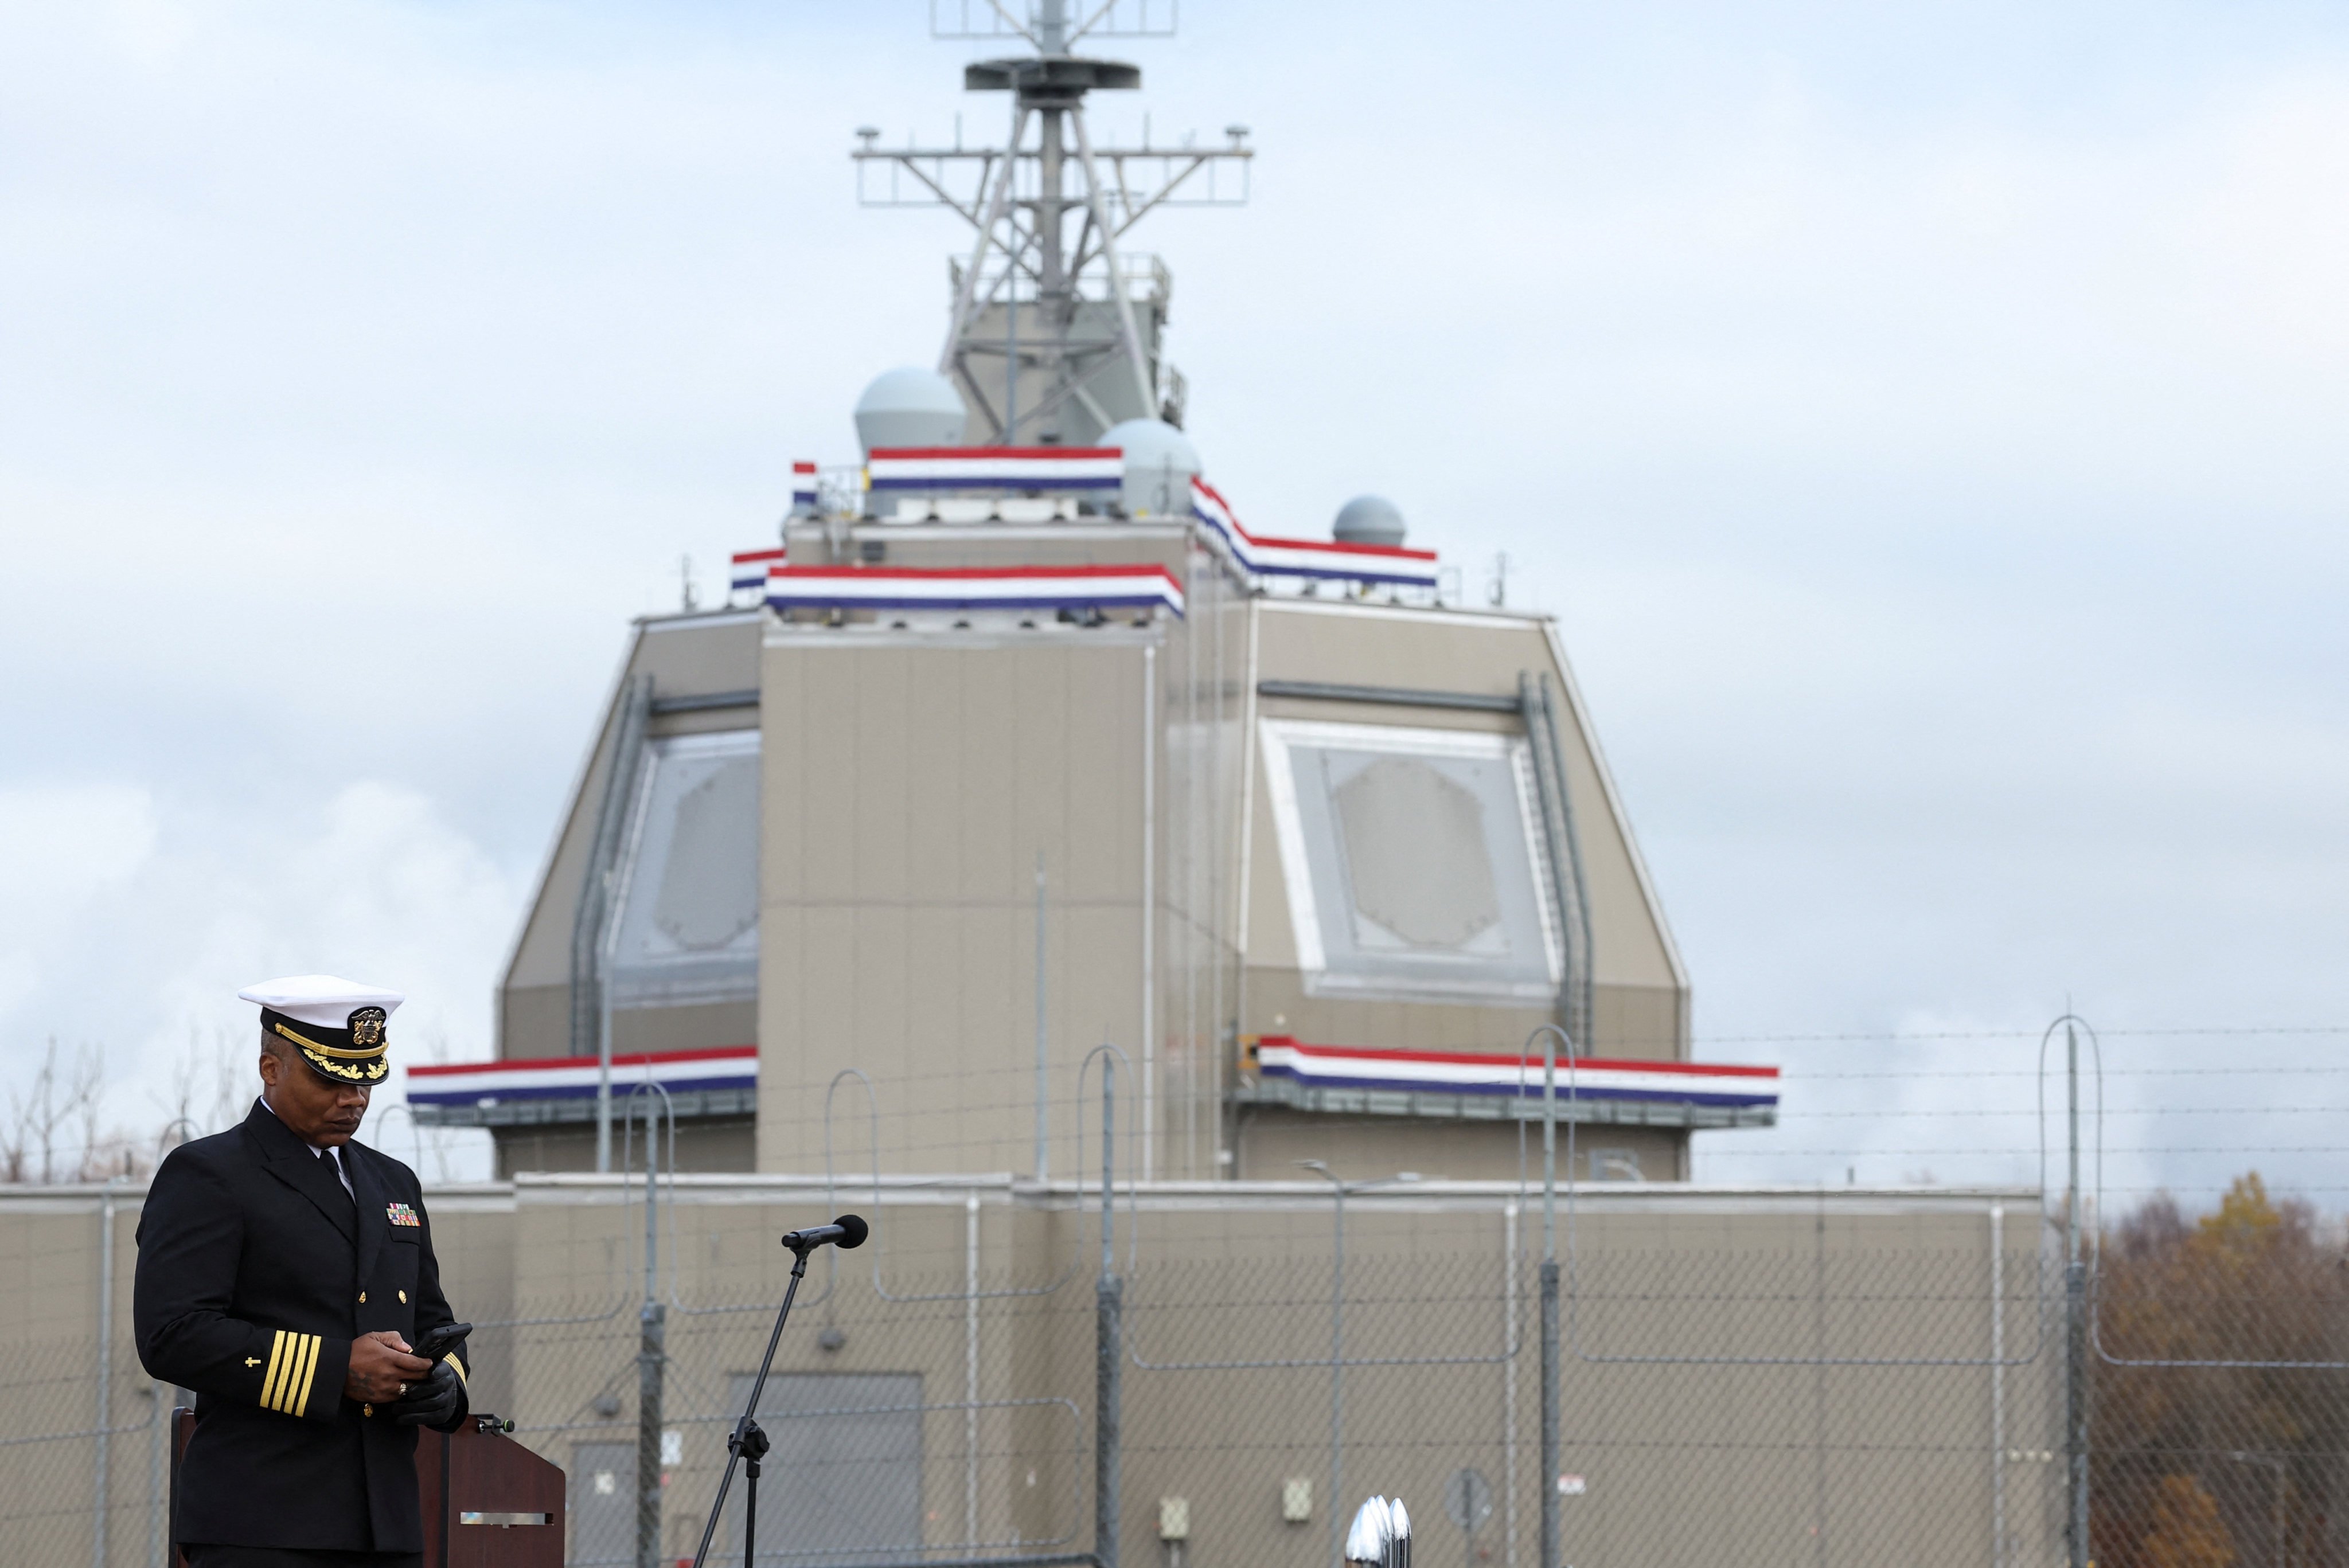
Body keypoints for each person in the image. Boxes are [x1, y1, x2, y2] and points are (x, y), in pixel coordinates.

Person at [135, 975, 472, 1568]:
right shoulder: (209, 1173)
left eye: (366, 1078)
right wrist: (338, 1368)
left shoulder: (393, 1181)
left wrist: (442, 1385)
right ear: (271, 1067)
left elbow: (431, 1319)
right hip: (263, 1520)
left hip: (386, 1522)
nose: (354, 1097)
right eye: (331, 1078)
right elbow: (173, 1333)